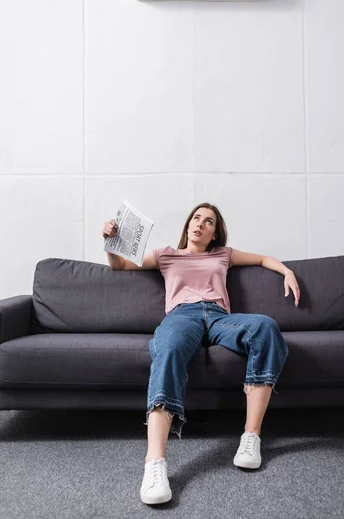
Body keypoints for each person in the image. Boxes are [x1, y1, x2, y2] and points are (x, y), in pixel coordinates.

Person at [102, 202, 300, 506]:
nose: (200, 224)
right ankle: (155, 464)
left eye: (208, 222)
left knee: (265, 327)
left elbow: (261, 259)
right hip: (183, 315)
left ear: (214, 233)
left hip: (220, 317)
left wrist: (286, 271)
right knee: (167, 348)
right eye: (196, 218)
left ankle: (250, 438)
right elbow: (120, 265)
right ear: (188, 225)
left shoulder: (224, 255)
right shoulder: (166, 254)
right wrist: (109, 241)